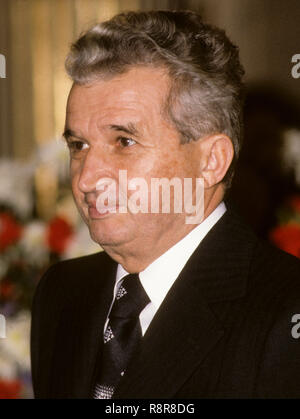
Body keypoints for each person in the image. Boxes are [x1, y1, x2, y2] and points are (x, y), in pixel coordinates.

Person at [31, 10, 300, 399]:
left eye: (124, 142)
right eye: (79, 145)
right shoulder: (63, 293)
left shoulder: (283, 312)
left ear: (211, 161)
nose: (86, 179)